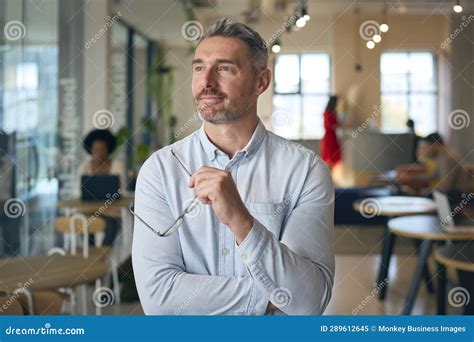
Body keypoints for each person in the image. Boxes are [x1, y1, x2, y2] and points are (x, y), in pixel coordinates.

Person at [132, 18, 334, 315]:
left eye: (224, 68)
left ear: (261, 82)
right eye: (199, 68)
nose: (207, 82)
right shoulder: (160, 171)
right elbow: (159, 299)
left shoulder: (304, 171)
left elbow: (309, 301)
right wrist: (273, 298)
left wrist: (242, 221)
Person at [76, 129, 125, 245]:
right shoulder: (84, 167)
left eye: (102, 149)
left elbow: (121, 190)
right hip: (89, 210)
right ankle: (91, 253)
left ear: (108, 149)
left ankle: (104, 254)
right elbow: (78, 191)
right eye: (96, 149)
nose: (99, 153)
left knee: (112, 223)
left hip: (112, 211)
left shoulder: (117, 165)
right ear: (90, 149)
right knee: (84, 222)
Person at [396, 133, 473, 199]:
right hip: (452, 191)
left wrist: (425, 191)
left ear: (434, 144)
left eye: (427, 146)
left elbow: (446, 186)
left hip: (458, 193)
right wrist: (412, 177)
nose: (426, 149)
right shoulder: (441, 156)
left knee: (426, 197)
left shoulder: (447, 158)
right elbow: (434, 175)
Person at [320, 95, 341, 170]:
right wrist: (339, 125)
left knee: (333, 159)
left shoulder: (332, 112)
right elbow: (329, 126)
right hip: (329, 138)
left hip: (333, 137)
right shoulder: (328, 113)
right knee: (329, 158)